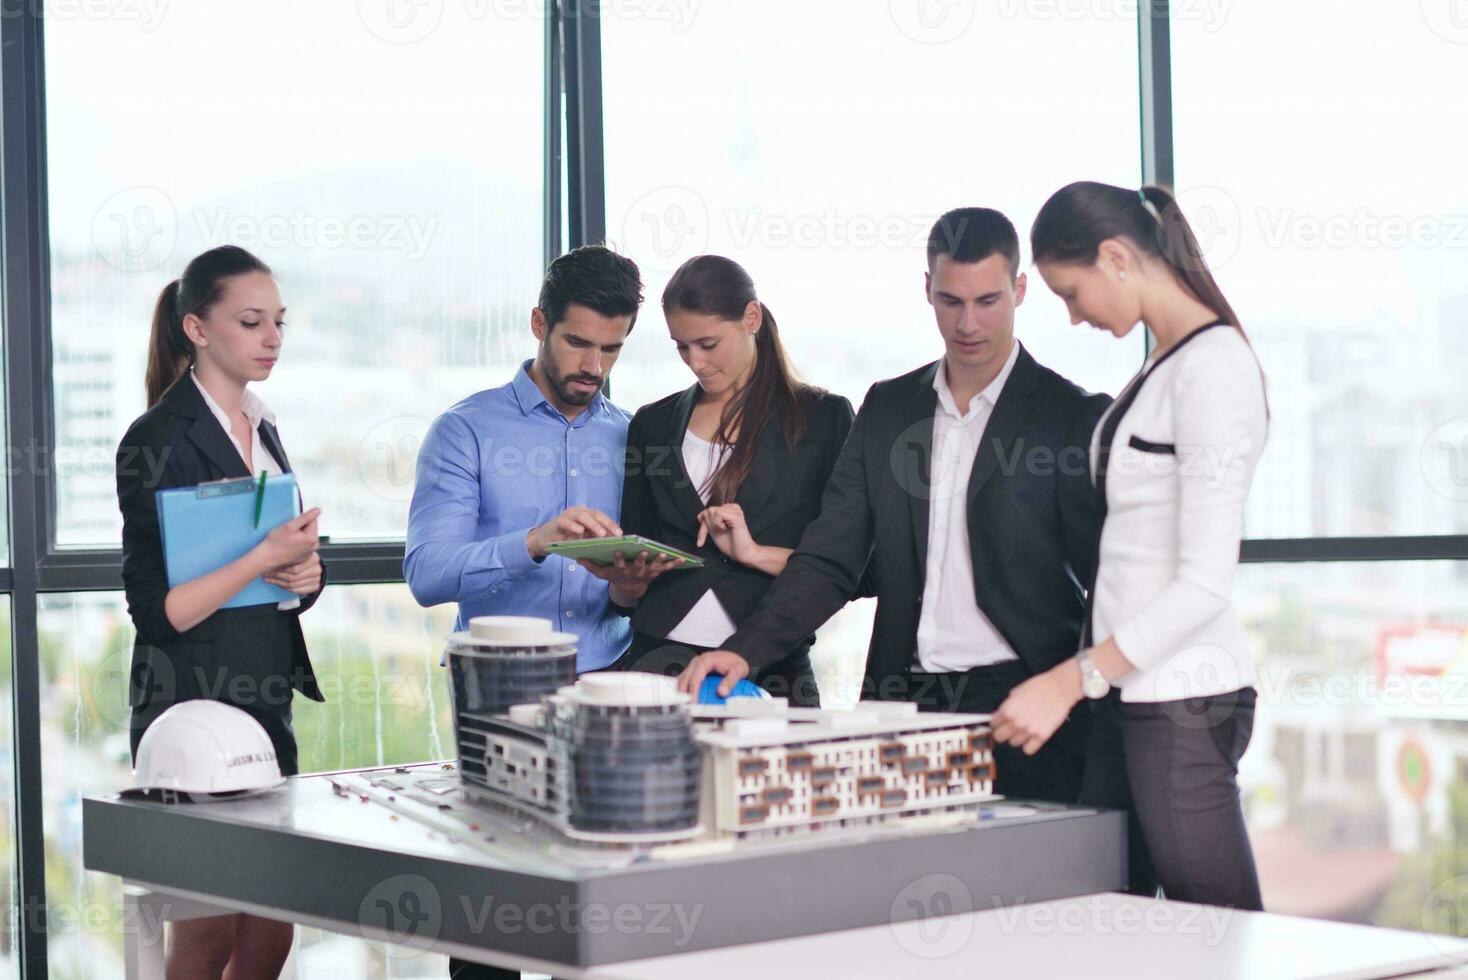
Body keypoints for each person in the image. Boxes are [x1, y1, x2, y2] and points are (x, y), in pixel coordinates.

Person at [677, 209, 1111, 804]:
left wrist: (1085, 689)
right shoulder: (887, 410)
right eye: (950, 300)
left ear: (1019, 290)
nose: (968, 323)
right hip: (906, 703)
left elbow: (1108, 583)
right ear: (927, 290)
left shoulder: (1072, 416)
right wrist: (743, 652)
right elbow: (830, 560)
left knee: (1038, 889)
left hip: (1031, 702)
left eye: (987, 301)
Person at [992, 181, 1269, 910]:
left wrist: (1069, 679)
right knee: (1111, 915)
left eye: (1072, 293)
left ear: (1116, 257)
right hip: (1128, 692)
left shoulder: (1213, 369)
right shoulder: (1163, 366)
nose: (1074, 316)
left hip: (1181, 699)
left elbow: (1204, 582)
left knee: (1221, 930)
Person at [403, 245, 653, 980]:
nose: (593, 366)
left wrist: (630, 588)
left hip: (608, 687)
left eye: (611, 349)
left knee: (603, 925)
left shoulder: (632, 435)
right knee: (493, 924)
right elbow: (425, 573)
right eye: (578, 342)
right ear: (540, 324)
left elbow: (623, 585)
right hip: (500, 701)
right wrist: (532, 543)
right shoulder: (465, 431)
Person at [117, 245, 326, 979]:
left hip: (263, 697)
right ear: (197, 328)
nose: (271, 337)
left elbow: (281, 571)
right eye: (250, 321)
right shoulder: (157, 441)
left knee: (272, 934)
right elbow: (158, 613)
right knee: (205, 935)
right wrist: (264, 559)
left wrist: (305, 572)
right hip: (191, 706)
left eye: (278, 322)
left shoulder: (264, 427)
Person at [590, 255, 855, 706]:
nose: (696, 362)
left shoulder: (823, 421)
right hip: (655, 665)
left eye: (709, 344)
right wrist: (627, 585)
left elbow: (852, 570)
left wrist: (754, 553)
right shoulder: (652, 424)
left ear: (752, 317)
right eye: (682, 347)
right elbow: (629, 584)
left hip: (772, 668)